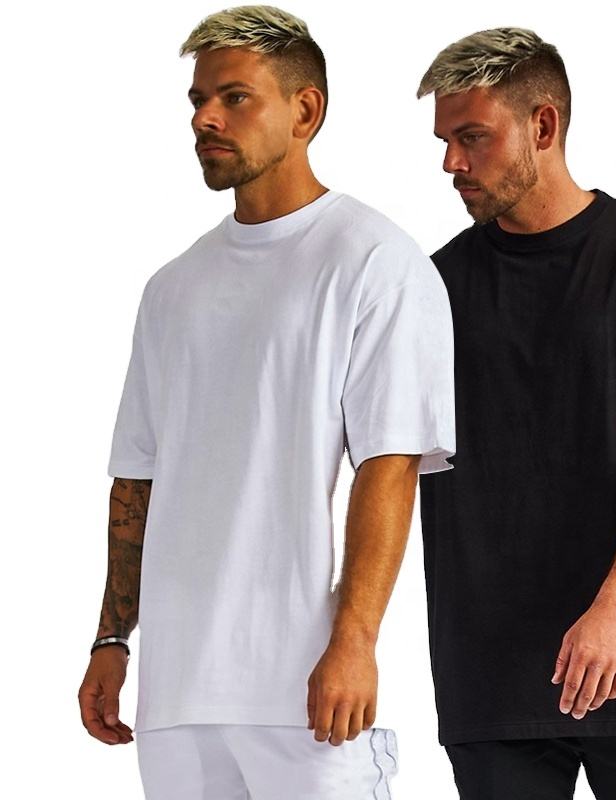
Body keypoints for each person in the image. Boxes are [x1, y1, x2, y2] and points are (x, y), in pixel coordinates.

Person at [77, 6, 455, 798]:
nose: (205, 118)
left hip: (304, 692)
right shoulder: (172, 287)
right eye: (198, 99)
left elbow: (389, 463)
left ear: (305, 111)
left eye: (234, 97)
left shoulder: (374, 261)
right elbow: (137, 477)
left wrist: (355, 641)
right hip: (176, 695)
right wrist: (111, 638)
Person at [416, 27, 616, 800]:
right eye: (444, 141)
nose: (451, 163)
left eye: (472, 137)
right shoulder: (430, 291)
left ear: (543, 125)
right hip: (491, 682)